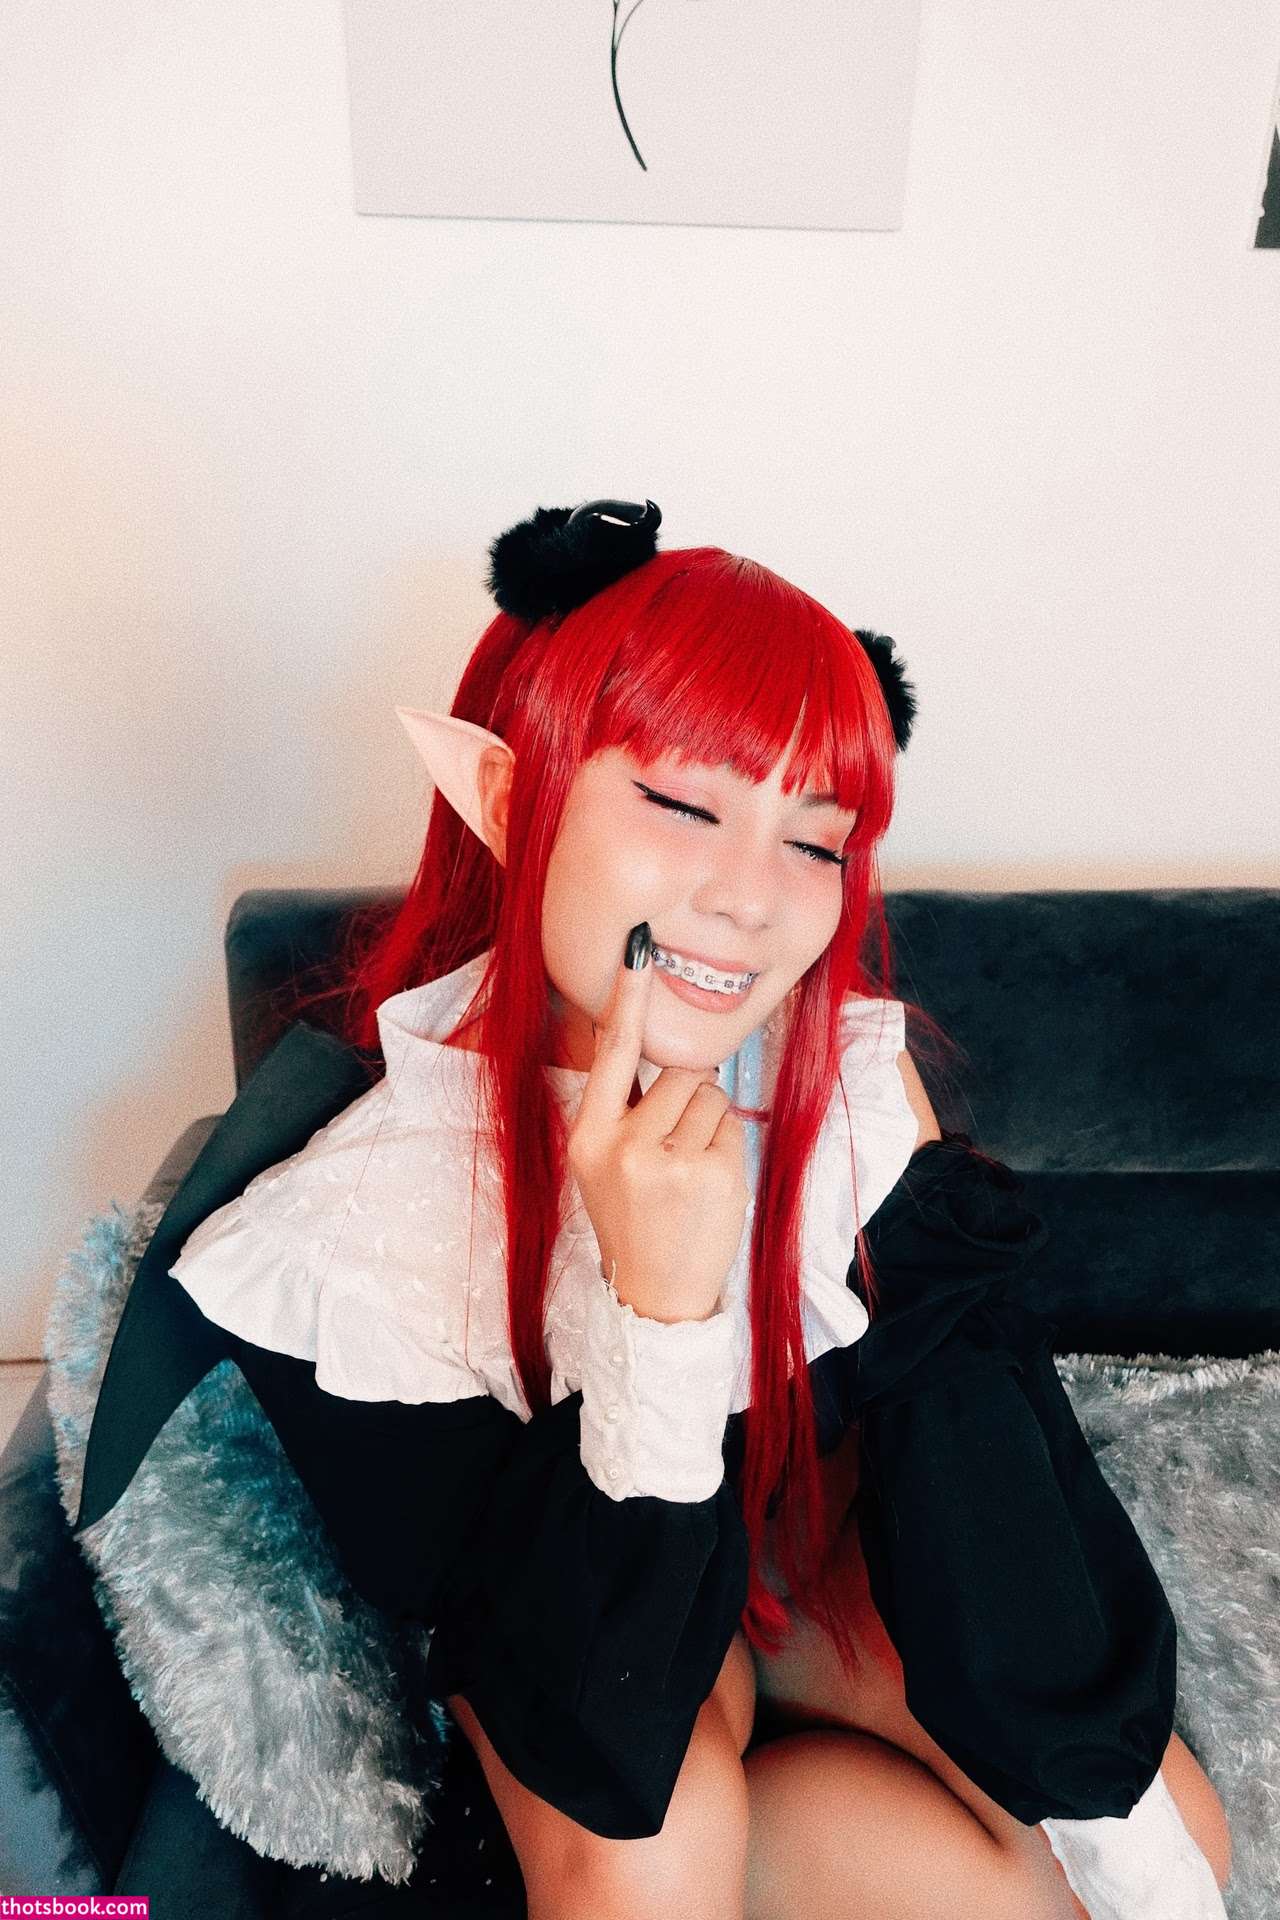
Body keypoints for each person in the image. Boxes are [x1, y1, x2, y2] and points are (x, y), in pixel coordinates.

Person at [73, 498, 1231, 1918]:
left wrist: (1106, 1811)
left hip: (800, 1565)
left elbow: (989, 1475)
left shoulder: (846, 1087)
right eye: (685, 807)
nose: (751, 901)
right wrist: (658, 1316)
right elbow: (586, 1719)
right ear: (509, 800)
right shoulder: (343, 1236)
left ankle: (775, 1847)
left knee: (1153, 1837)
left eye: (815, 841)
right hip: (577, 1633)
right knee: (647, 1857)